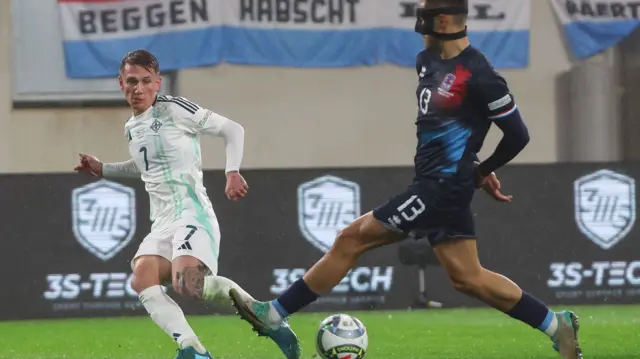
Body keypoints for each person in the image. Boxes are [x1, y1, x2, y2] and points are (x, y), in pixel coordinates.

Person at [228, 1, 584, 359]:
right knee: (467, 277)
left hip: (439, 190)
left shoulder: (480, 74)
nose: (419, 16)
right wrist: (474, 163)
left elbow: (518, 135)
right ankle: (556, 324)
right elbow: (458, 126)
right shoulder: (426, 61)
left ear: (442, 20)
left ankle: (274, 315)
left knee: (350, 240)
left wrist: (478, 170)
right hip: (442, 186)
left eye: (425, 10)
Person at [75, 49, 255, 359]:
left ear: (158, 83)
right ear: (121, 83)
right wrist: (103, 168)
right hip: (162, 220)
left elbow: (232, 130)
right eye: (131, 82)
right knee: (141, 277)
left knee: (186, 285)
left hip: (191, 210)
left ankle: (260, 311)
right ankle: (194, 351)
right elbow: (142, 167)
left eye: (146, 81)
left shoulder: (173, 109)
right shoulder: (132, 127)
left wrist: (232, 171)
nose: (138, 89)